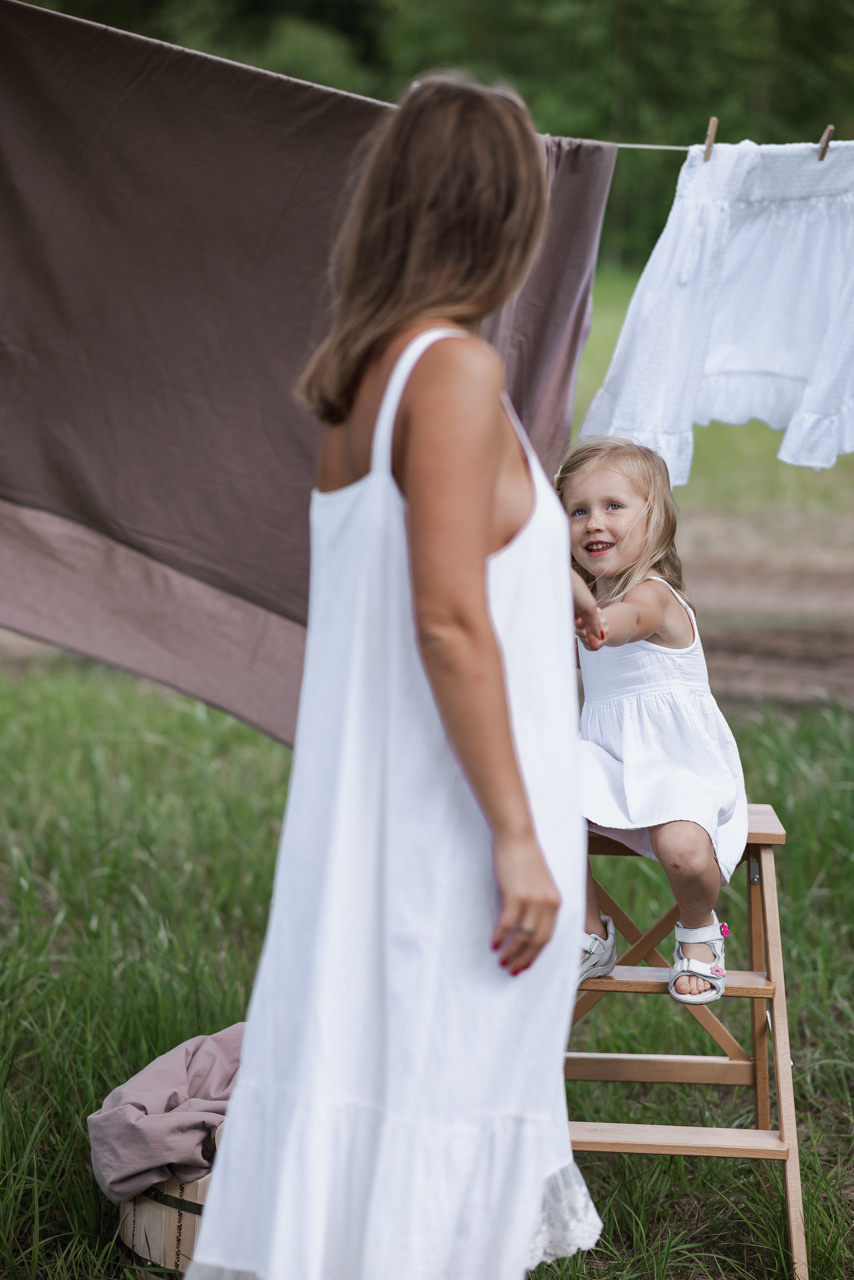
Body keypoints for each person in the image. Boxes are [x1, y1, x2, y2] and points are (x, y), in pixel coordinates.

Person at [186, 74, 602, 1280]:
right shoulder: (454, 374)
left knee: (376, 1159)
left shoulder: (362, 382)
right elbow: (446, 621)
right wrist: (520, 836)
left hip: (382, 848)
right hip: (447, 850)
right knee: (425, 1157)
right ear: (503, 214)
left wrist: (540, 583)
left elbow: (443, 584)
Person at [555, 437, 748, 1005]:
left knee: (685, 851)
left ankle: (699, 926)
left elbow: (624, 621)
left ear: (655, 517)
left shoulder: (654, 597)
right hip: (609, 760)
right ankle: (589, 930)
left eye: (614, 506)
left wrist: (589, 618)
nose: (594, 521)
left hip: (677, 765)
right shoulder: (584, 598)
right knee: (525, 793)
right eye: (578, 510)